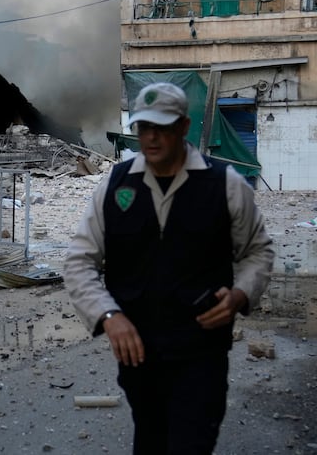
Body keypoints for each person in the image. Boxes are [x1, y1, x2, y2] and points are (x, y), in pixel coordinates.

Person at [63, 82, 274, 455]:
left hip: (201, 351)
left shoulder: (224, 185)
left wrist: (241, 293)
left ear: (183, 126)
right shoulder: (114, 185)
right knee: (150, 437)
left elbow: (257, 251)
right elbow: (80, 260)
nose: (152, 137)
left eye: (161, 127)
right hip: (137, 355)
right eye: (144, 128)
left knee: (192, 442)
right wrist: (109, 315)